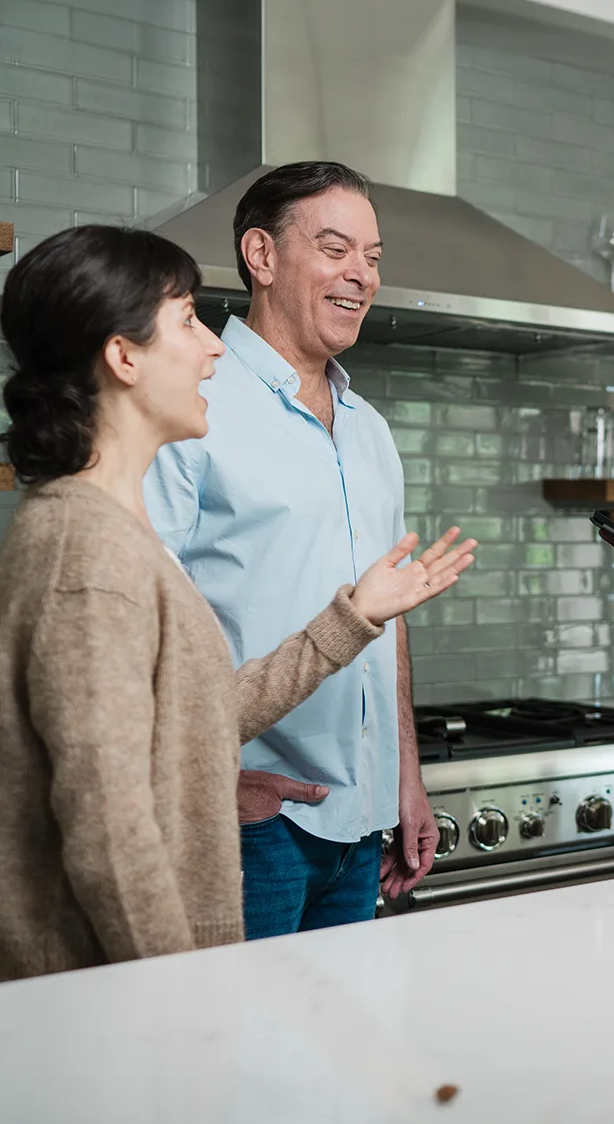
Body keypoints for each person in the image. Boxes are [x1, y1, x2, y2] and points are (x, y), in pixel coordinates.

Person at [0, 226, 474, 982]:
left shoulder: (105, 535)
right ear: (124, 359)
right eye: (187, 320)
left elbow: (195, 713)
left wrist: (355, 616)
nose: (214, 348)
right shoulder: (83, 554)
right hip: (119, 1007)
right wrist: (183, 991)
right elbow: (110, 829)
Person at [143, 161, 466, 937]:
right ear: (261, 256)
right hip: (251, 818)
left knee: (337, 1052)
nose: (361, 274)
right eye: (334, 248)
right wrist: (210, 780)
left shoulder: (371, 429)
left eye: (374, 256)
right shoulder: (194, 405)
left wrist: (404, 781)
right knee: (236, 1052)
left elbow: (388, 617)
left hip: (360, 822)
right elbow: (142, 618)